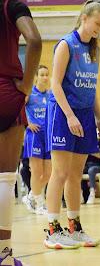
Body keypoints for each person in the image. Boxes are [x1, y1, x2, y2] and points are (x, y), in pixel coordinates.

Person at [44, 0, 100, 249]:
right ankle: (51, 228)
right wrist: (70, 116)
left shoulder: (95, 50)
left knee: (74, 175)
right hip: (62, 113)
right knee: (59, 172)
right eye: (97, 23)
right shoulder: (65, 45)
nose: (99, 29)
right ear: (84, 18)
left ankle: (74, 226)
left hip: (84, 113)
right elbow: (55, 85)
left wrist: (99, 118)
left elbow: (91, 88)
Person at [0, 0, 42, 264]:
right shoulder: (11, 5)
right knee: (5, 179)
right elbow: (35, 40)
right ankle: (3, 255)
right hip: (6, 92)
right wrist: (27, 85)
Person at [22, 65, 51, 215]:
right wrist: (27, 123)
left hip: (48, 136)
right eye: (42, 75)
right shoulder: (30, 94)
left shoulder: (51, 94)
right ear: (36, 77)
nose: (45, 77)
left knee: (49, 172)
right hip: (34, 136)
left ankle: (31, 196)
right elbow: (18, 107)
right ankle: (40, 204)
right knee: (36, 172)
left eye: (47, 74)